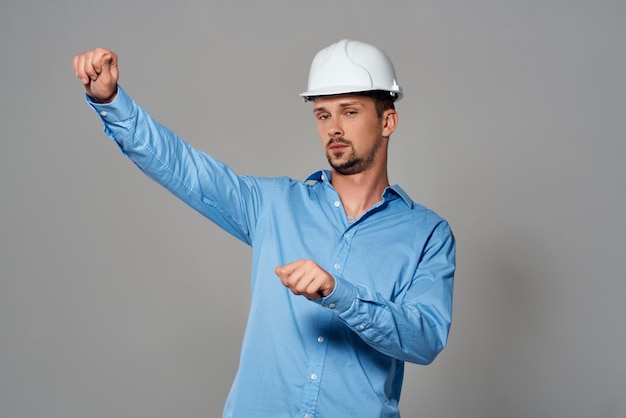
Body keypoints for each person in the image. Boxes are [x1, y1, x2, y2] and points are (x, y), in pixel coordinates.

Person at [72, 39, 456, 418]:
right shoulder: (273, 204)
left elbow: (425, 339)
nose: (333, 129)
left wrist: (343, 295)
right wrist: (111, 102)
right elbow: (183, 167)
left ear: (387, 120)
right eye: (323, 115)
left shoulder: (427, 234)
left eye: (350, 112)